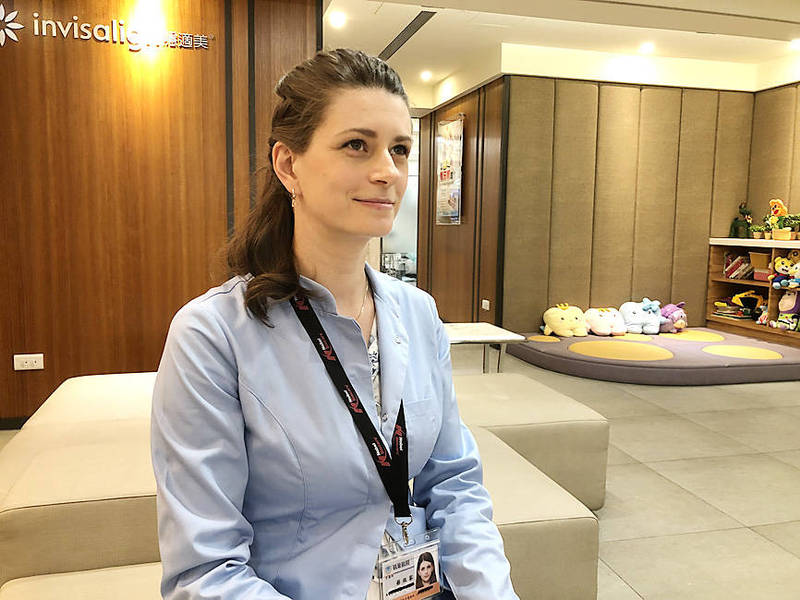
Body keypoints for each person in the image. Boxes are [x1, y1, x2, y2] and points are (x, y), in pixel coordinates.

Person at [150, 48, 519, 600]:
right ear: (288, 165)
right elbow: (204, 571)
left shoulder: (417, 314)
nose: (387, 172)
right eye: (356, 145)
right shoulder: (213, 335)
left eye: (400, 149)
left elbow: (455, 485)